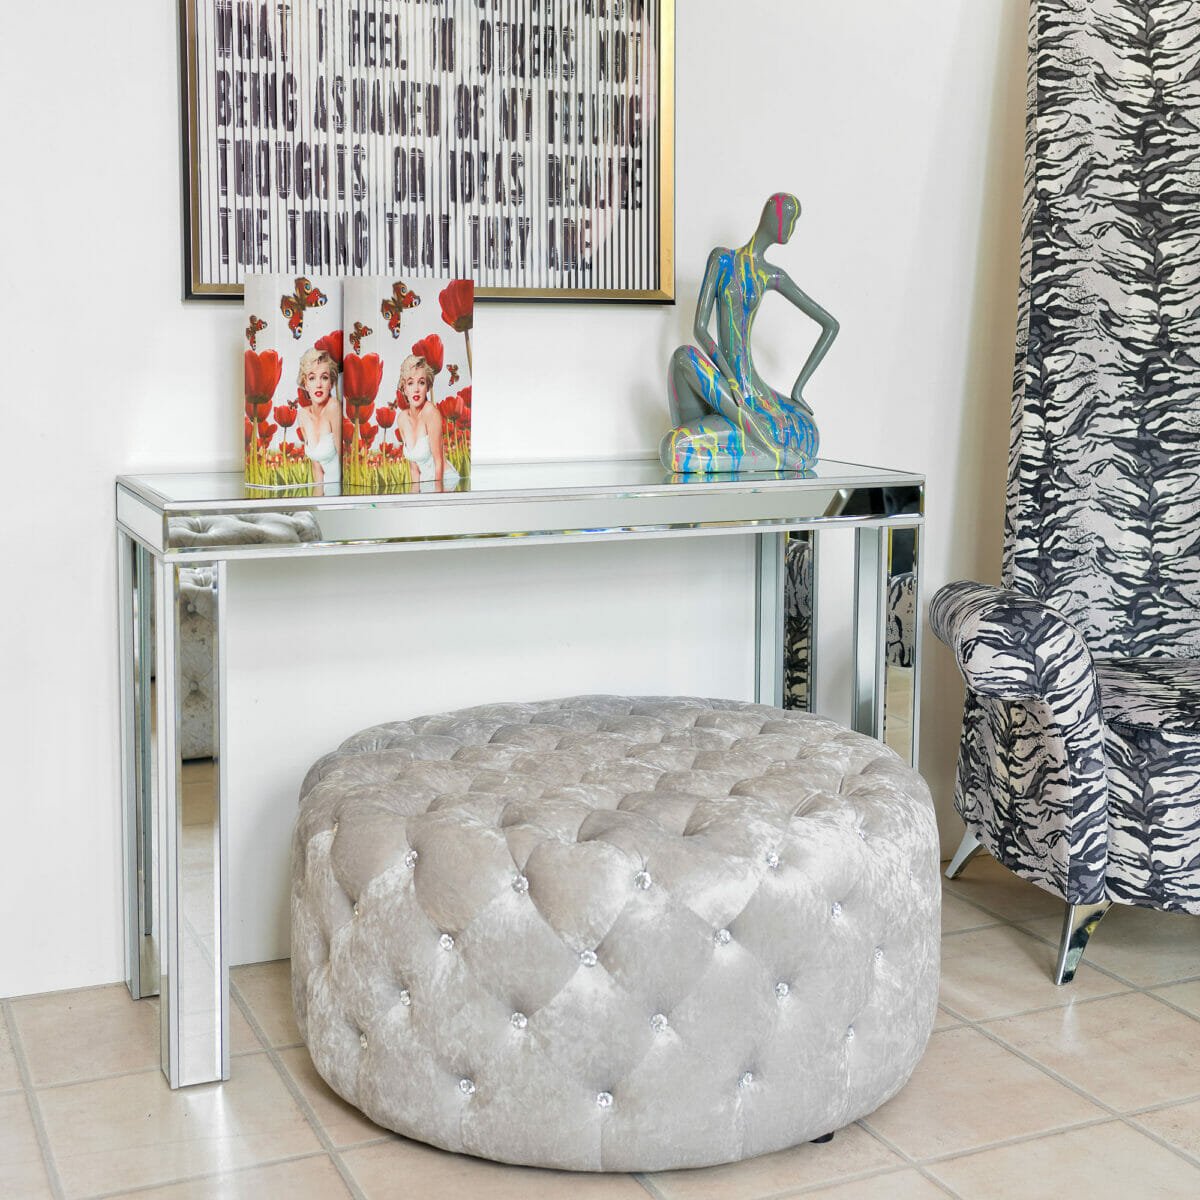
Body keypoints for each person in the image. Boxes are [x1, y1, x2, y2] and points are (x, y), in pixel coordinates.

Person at [660, 192, 839, 474]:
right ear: (773, 217)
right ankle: (775, 453)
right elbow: (700, 328)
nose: (791, 228)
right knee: (683, 357)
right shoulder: (723, 260)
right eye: (790, 219)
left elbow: (830, 325)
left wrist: (799, 389)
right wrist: (729, 379)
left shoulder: (771, 275)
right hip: (728, 386)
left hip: (754, 392)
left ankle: (766, 450)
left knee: (810, 433)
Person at [395, 353, 459, 489]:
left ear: (427, 387)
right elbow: (414, 470)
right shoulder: (401, 419)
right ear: (404, 388)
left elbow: (438, 461)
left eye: (422, 382)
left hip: (444, 481)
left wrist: (436, 498)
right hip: (426, 483)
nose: (416, 389)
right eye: (411, 383)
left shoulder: (431, 413)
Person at [295, 348, 341, 487]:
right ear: (305, 383)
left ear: (331, 383)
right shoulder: (302, 415)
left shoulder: (334, 408)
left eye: (324, 377)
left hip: (342, 493)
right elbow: (317, 471)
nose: (319, 384)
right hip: (324, 495)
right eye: (312, 378)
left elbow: (345, 460)